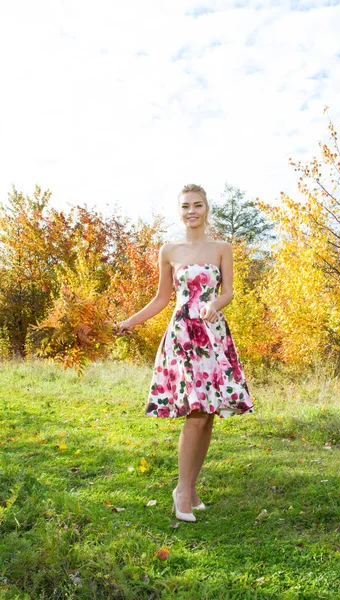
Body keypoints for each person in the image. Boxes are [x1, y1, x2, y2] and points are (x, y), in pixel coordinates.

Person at [117, 183, 254, 522]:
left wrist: (213, 304)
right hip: (183, 336)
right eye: (185, 206)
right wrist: (129, 322)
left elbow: (229, 293)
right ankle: (181, 490)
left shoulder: (222, 247)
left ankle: (191, 489)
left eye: (197, 205)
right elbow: (162, 299)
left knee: (207, 414)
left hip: (212, 334)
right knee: (195, 412)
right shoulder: (169, 250)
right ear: (179, 212)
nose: (191, 211)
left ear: (207, 209)